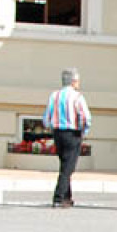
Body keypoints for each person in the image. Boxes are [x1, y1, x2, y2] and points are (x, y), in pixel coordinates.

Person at [44, 67, 91, 209]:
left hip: (58, 132)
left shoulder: (54, 96)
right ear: (74, 81)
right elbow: (85, 117)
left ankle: (67, 197)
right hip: (73, 133)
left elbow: (47, 117)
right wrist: (84, 130)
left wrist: (51, 127)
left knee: (65, 164)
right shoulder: (77, 97)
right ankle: (58, 197)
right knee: (67, 168)